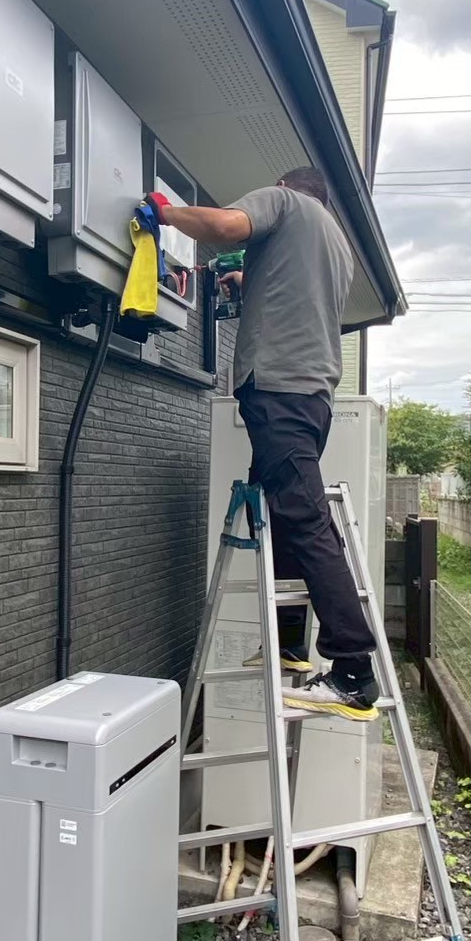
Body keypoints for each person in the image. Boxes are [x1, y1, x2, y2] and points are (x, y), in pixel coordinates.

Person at [145, 167, 379, 722]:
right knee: (278, 511)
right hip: (312, 395)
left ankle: (352, 672)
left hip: (278, 389)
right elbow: (296, 299)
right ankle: (290, 645)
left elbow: (226, 226)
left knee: (304, 517)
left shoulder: (283, 202)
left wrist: (165, 211)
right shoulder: (336, 244)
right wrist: (245, 285)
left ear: (288, 188)